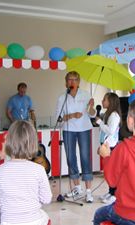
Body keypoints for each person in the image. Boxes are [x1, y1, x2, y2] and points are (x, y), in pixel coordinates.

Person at [0, 120, 52, 225]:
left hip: (8, 222)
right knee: (45, 217)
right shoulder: (39, 170)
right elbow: (47, 199)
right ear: (33, 144)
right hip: (34, 221)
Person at [55, 71, 96, 203]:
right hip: (68, 130)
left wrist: (91, 107)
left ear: (78, 82)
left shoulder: (86, 95)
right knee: (71, 158)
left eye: (74, 80)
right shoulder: (62, 97)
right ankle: (77, 188)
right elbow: (58, 118)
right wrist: (71, 116)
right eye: (69, 80)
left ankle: (89, 191)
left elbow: (92, 115)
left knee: (85, 157)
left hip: (84, 129)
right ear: (66, 82)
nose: (72, 82)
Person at [96, 92, 121, 204]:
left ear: (110, 102)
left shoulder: (114, 116)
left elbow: (110, 130)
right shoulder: (108, 114)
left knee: (112, 171)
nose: (102, 101)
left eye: (104, 99)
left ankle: (114, 194)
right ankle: (110, 192)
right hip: (105, 146)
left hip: (111, 147)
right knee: (107, 171)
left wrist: (100, 122)